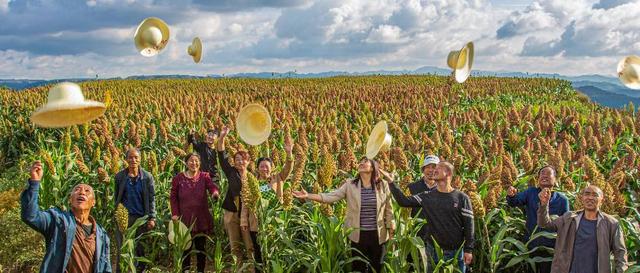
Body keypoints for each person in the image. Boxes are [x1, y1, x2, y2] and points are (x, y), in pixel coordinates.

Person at [293, 157, 395, 273]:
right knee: (358, 268)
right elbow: (331, 196)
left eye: (365, 162)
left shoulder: (383, 185)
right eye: (360, 162)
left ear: (373, 167)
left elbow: (388, 209)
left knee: (377, 268)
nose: (361, 163)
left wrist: (391, 229)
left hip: (378, 235)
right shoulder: (350, 185)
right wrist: (308, 196)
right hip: (358, 235)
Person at [21, 161, 112, 273]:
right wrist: (35, 182)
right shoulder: (57, 220)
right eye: (77, 190)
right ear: (70, 199)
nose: (82, 192)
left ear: (93, 202)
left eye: (87, 191)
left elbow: (106, 267)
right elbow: (31, 216)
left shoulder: (101, 235)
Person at [388, 161, 473, 273]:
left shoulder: (462, 198)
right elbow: (403, 201)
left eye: (439, 168)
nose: (434, 170)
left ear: (448, 173)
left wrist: (469, 250)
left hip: (454, 251)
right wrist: (391, 182)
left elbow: (469, 225)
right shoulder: (427, 196)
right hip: (432, 250)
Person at [538, 185, 628, 273]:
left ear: (602, 200)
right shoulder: (569, 218)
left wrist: (620, 270)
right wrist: (544, 205)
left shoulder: (611, 223)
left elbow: (620, 252)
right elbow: (545, 224)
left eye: (595, 195)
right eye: (587, 194)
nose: (590, 197)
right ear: (582, 198)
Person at [240, 136, 295, 272]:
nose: (264, 169)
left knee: (274, 250)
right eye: (262, 166)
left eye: (267, 167)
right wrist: (243, 220)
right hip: (257, 221)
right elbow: (245, 201)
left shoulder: (278, 178)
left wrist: (289, 153)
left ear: (272, 168)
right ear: (257, 168)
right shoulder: (252, 181)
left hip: (274, 221)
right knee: (259, 251)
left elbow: (288, 168)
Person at [506, 166, 569, 273]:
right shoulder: (530, 192)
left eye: (548, 174)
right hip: (531, 243)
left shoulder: (562, 200)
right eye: (542, 174)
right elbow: (515, 202)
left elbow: (566, 225)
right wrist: (511, 196)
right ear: (538, 179)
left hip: (551, 247)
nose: (544, 176)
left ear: (555, 179)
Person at [170, 153, 220, 273]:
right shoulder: (178, 178)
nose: (194, 163)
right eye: (191, 161)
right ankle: (185, 270)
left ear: (200, 163)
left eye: (196, 161)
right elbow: (173, 197)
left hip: (200, 218)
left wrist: (215, 193)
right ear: (186, 163)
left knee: (201, 248)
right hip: (184, 219)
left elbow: (211, 186)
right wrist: (175, 213)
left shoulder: (204, 176)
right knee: (185, 248)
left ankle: (200, 270)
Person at [114, 148, 157, 273]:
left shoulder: (147, 177)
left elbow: (151, 198)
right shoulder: (120, 177)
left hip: (141, 218)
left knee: (139, 248)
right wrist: (117, 214)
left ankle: (140, 270)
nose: (133, 160)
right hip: (123, 218)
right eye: (131, 157)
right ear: (126, 159)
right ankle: (121, 270)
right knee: (121, 248)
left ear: (140, 159)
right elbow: (117, 198)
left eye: (136, 157)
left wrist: (152, 217)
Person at [217, 126, 254, 269]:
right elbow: (221, 153)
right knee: (235, 245)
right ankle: (238, 269)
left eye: (243, 159)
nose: (240, 162)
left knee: (250, 245)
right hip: (231, 213)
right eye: (237, 159)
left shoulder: (253, 177)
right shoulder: (231, 172)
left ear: (249, 162)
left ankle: (252, 269)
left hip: (248, 214)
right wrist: (222, 137)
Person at [406, 154, 439, 271]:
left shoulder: (444, 188)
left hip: (437, 235)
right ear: (423, 170)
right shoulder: (412, 187)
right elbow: (405, 209)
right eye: (427, 167)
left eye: (434, 167)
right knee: (416, 264)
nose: (431, 170)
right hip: (417, 233)